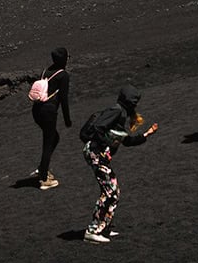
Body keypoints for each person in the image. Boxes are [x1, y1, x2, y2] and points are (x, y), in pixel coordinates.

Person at [81, 85, 158, 244]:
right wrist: (103, 147)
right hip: (96, 153)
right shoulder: (116, 111)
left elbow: (127, 141)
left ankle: (103, 226)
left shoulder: (120, 115)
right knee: (110, 191)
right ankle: (93, 229)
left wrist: (147, 134)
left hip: (97, 154)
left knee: (113, 191)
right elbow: (98, 127)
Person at [30, 46, 72, 187]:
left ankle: (43, 167)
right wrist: (67, 120)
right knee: (48, 142)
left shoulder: (45, 71)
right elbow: (64, 99)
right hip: (48, 112)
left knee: (53, 138)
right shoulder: (63, 75)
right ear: (64, 59)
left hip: (37, 110)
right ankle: (43, 179)